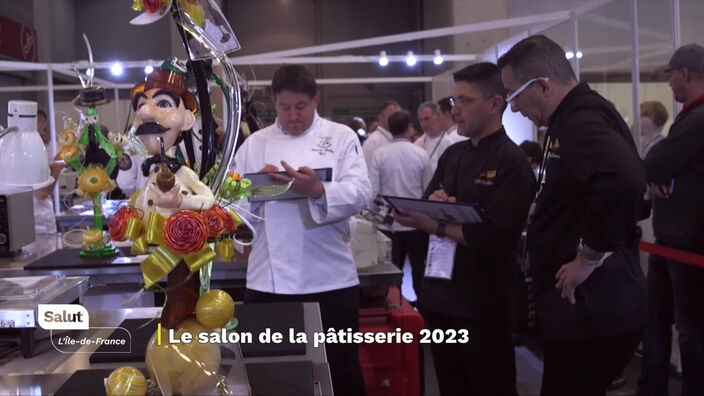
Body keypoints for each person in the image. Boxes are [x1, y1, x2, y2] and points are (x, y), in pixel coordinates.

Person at [497, 34, 647, 396]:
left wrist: (588, 256)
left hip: (594, 308)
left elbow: (625, 179)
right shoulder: (573, 118)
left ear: (544, 85)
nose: (514, 109)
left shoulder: (579, 119)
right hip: (585, 309)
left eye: (515, 97)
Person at [394, 62, 536, 396]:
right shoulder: (454, 154)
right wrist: (437, 206)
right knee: (450, 385)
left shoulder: (512, 163)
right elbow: (427, 201)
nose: (454, 110)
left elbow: (498, 238)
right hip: (441, 298)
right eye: (453, 100)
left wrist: (438, 224)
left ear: (495, 104)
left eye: (465, 101)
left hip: (484, 307)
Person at [231, 65, 370, 396]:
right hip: (268, 281)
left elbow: (362, 192)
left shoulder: (341, 137)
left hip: (331, 279)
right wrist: (255, 188)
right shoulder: (255, 144)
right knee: (272, 372)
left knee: (341, 370)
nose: (293, 116)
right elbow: (228, 206)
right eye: (284, 108)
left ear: (315, 101)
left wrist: (318, 190)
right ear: (274, 105)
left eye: (300, 107)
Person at [642, 43, 704, 396]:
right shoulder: (689, 119)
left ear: (683, 74)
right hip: (673, 241)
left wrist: (659, 172)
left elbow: (655, 162)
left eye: (670, 75)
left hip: (687, 244)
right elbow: (661, 165)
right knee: (660, 324)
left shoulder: (697, 119)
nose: (668, 84)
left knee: (690, 332)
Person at [129, 58, 216, 219]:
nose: (144, 112)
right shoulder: (149, 169)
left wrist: (180, 202)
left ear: (187, 119)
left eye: (163, 104)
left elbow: (209, 199)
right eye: (140, 104)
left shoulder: (182, 172)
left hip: (177, 241)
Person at [369, 109, 433, 298]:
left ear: (389, 128)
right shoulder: (421, 154)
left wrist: (378, 221)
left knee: (390, 273)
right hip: (417, 224)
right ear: (410, 128)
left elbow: (373, 192)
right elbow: (428, 191)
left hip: (388, 225)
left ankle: (393, 306)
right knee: (419, 271)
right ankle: (423, 311)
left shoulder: (379, 154)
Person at [33, 109, 63, 235]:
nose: (43, 132)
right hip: (38, 224)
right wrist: (58, 165)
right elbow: (42, 192)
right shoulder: (32, 152)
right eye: (42, 127)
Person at [414, 102, 455, 173]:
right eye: (421, 120)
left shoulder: (451, 139)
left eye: (427, 119)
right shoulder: (417, 145)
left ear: (437, 117)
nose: (423, 124)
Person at [362, 100, 401, 168]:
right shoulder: (373, 143)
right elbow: (370, 174)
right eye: (392, 116)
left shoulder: (397, 139)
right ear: (381, 117)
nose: (396, 120)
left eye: (399, 116)